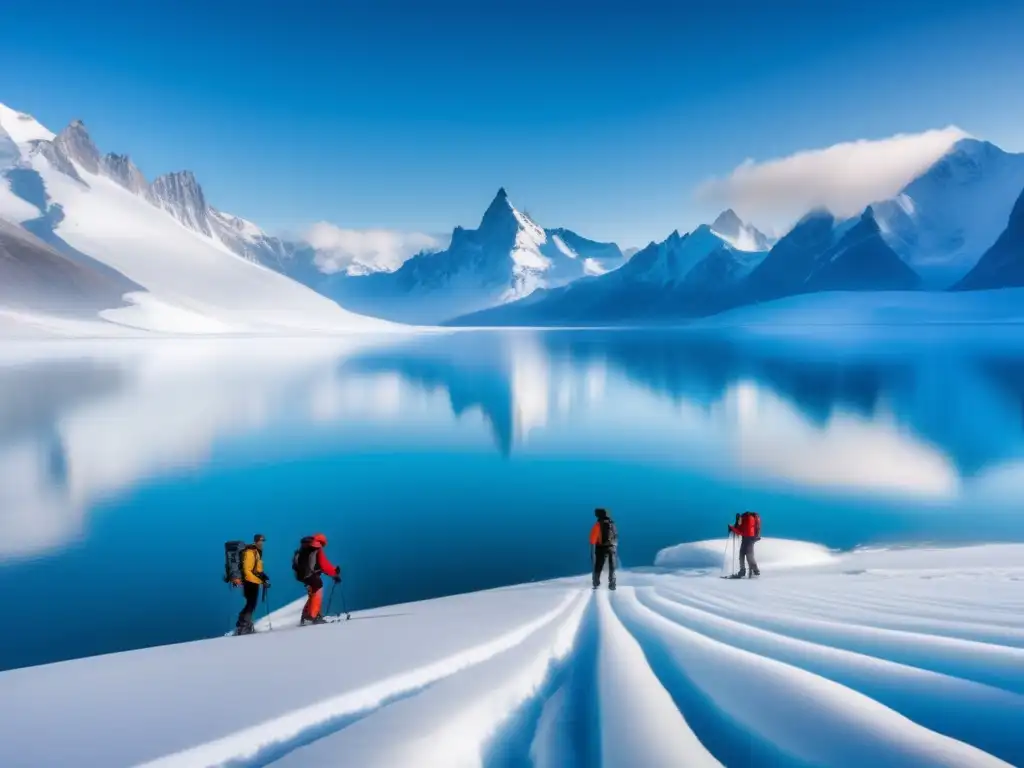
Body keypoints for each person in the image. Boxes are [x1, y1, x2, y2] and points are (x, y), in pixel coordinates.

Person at [294, 533, 341, 625]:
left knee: (313, 593)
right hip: (309, 575)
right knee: (317, 589)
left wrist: (333, 571)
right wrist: (335, 573)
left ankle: (306, 616)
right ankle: (313, 616)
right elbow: (324, 564)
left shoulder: (304, 548)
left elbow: (317, 565)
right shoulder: (316, 547)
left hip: (301, 575)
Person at [236, 534, 270, 635]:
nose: (262, 543)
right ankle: (244, 625)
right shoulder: (250, 552)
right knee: (251, 604)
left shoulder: (256, 552)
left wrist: (263, 576)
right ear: (256, 541)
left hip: (253, 581)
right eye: (261, 541)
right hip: (250, 582)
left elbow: (257, 569)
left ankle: (243, 623)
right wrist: (260, 581)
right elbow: (247, 571)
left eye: (263, 541)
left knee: (251, 604)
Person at [589, 508, 618, 590]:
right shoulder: (612, 524)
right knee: (612, 566)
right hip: (612, 547)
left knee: (598, 565)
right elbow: (616, 536)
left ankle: (596, 583)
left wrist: (593, 545)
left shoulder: (598, 525)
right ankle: (612, 584)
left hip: (601, 548)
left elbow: (592, 539)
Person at [728, 511, 761, 578]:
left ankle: (754, 571)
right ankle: (750, 571)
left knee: (748, 555)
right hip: (749, 538)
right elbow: (741, 529)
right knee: (744, 554)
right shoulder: (748, 519)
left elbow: (742, 532)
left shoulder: (746, 519)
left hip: (748, 538)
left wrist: (732, 528)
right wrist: (733, 528)